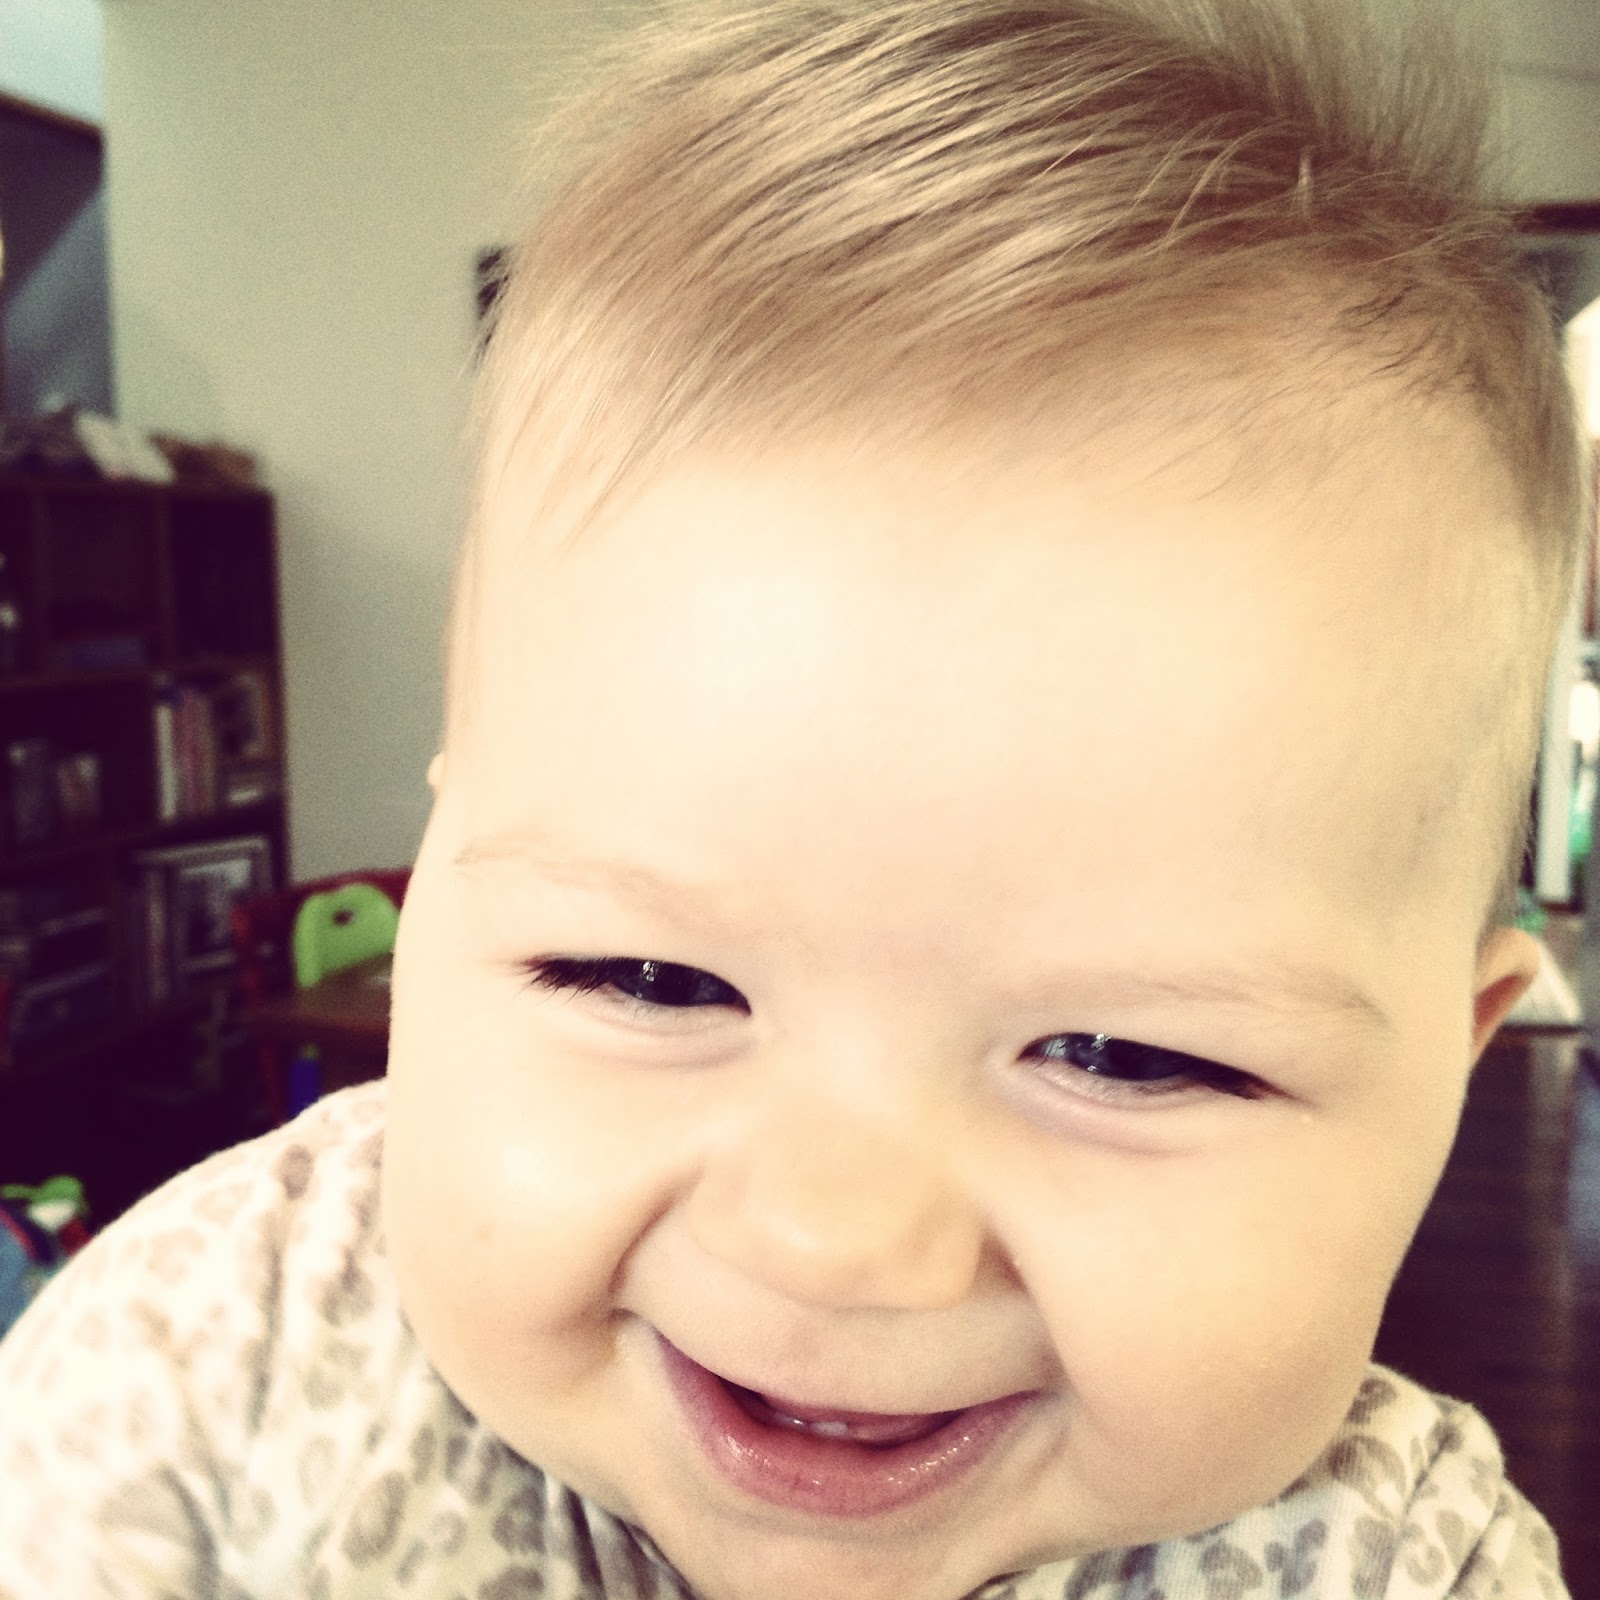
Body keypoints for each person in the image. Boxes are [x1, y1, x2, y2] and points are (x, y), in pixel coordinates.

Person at [0, 1, 1580, 1595]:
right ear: (440, 875)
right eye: (647, 977)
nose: (833, 1240)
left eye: (1127, 1057)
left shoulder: (1402, 1562)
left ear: (1451, 1073)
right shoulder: (213, 1369)